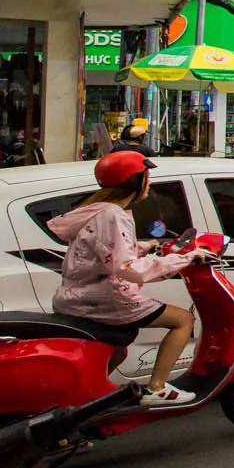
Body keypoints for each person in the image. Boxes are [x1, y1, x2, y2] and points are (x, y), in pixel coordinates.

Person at [47, 153, 203, 405]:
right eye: (146, 176)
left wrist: (146, 246)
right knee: (183, 320)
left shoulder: (98, 210)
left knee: (116, 352)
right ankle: (157, 388)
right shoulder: (112, 214)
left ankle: (82, 401)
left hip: (79, 296)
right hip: (104, 298)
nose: (149, 182)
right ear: (134, 180)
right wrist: (185, 259)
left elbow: (105, 250)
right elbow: (128, 268)